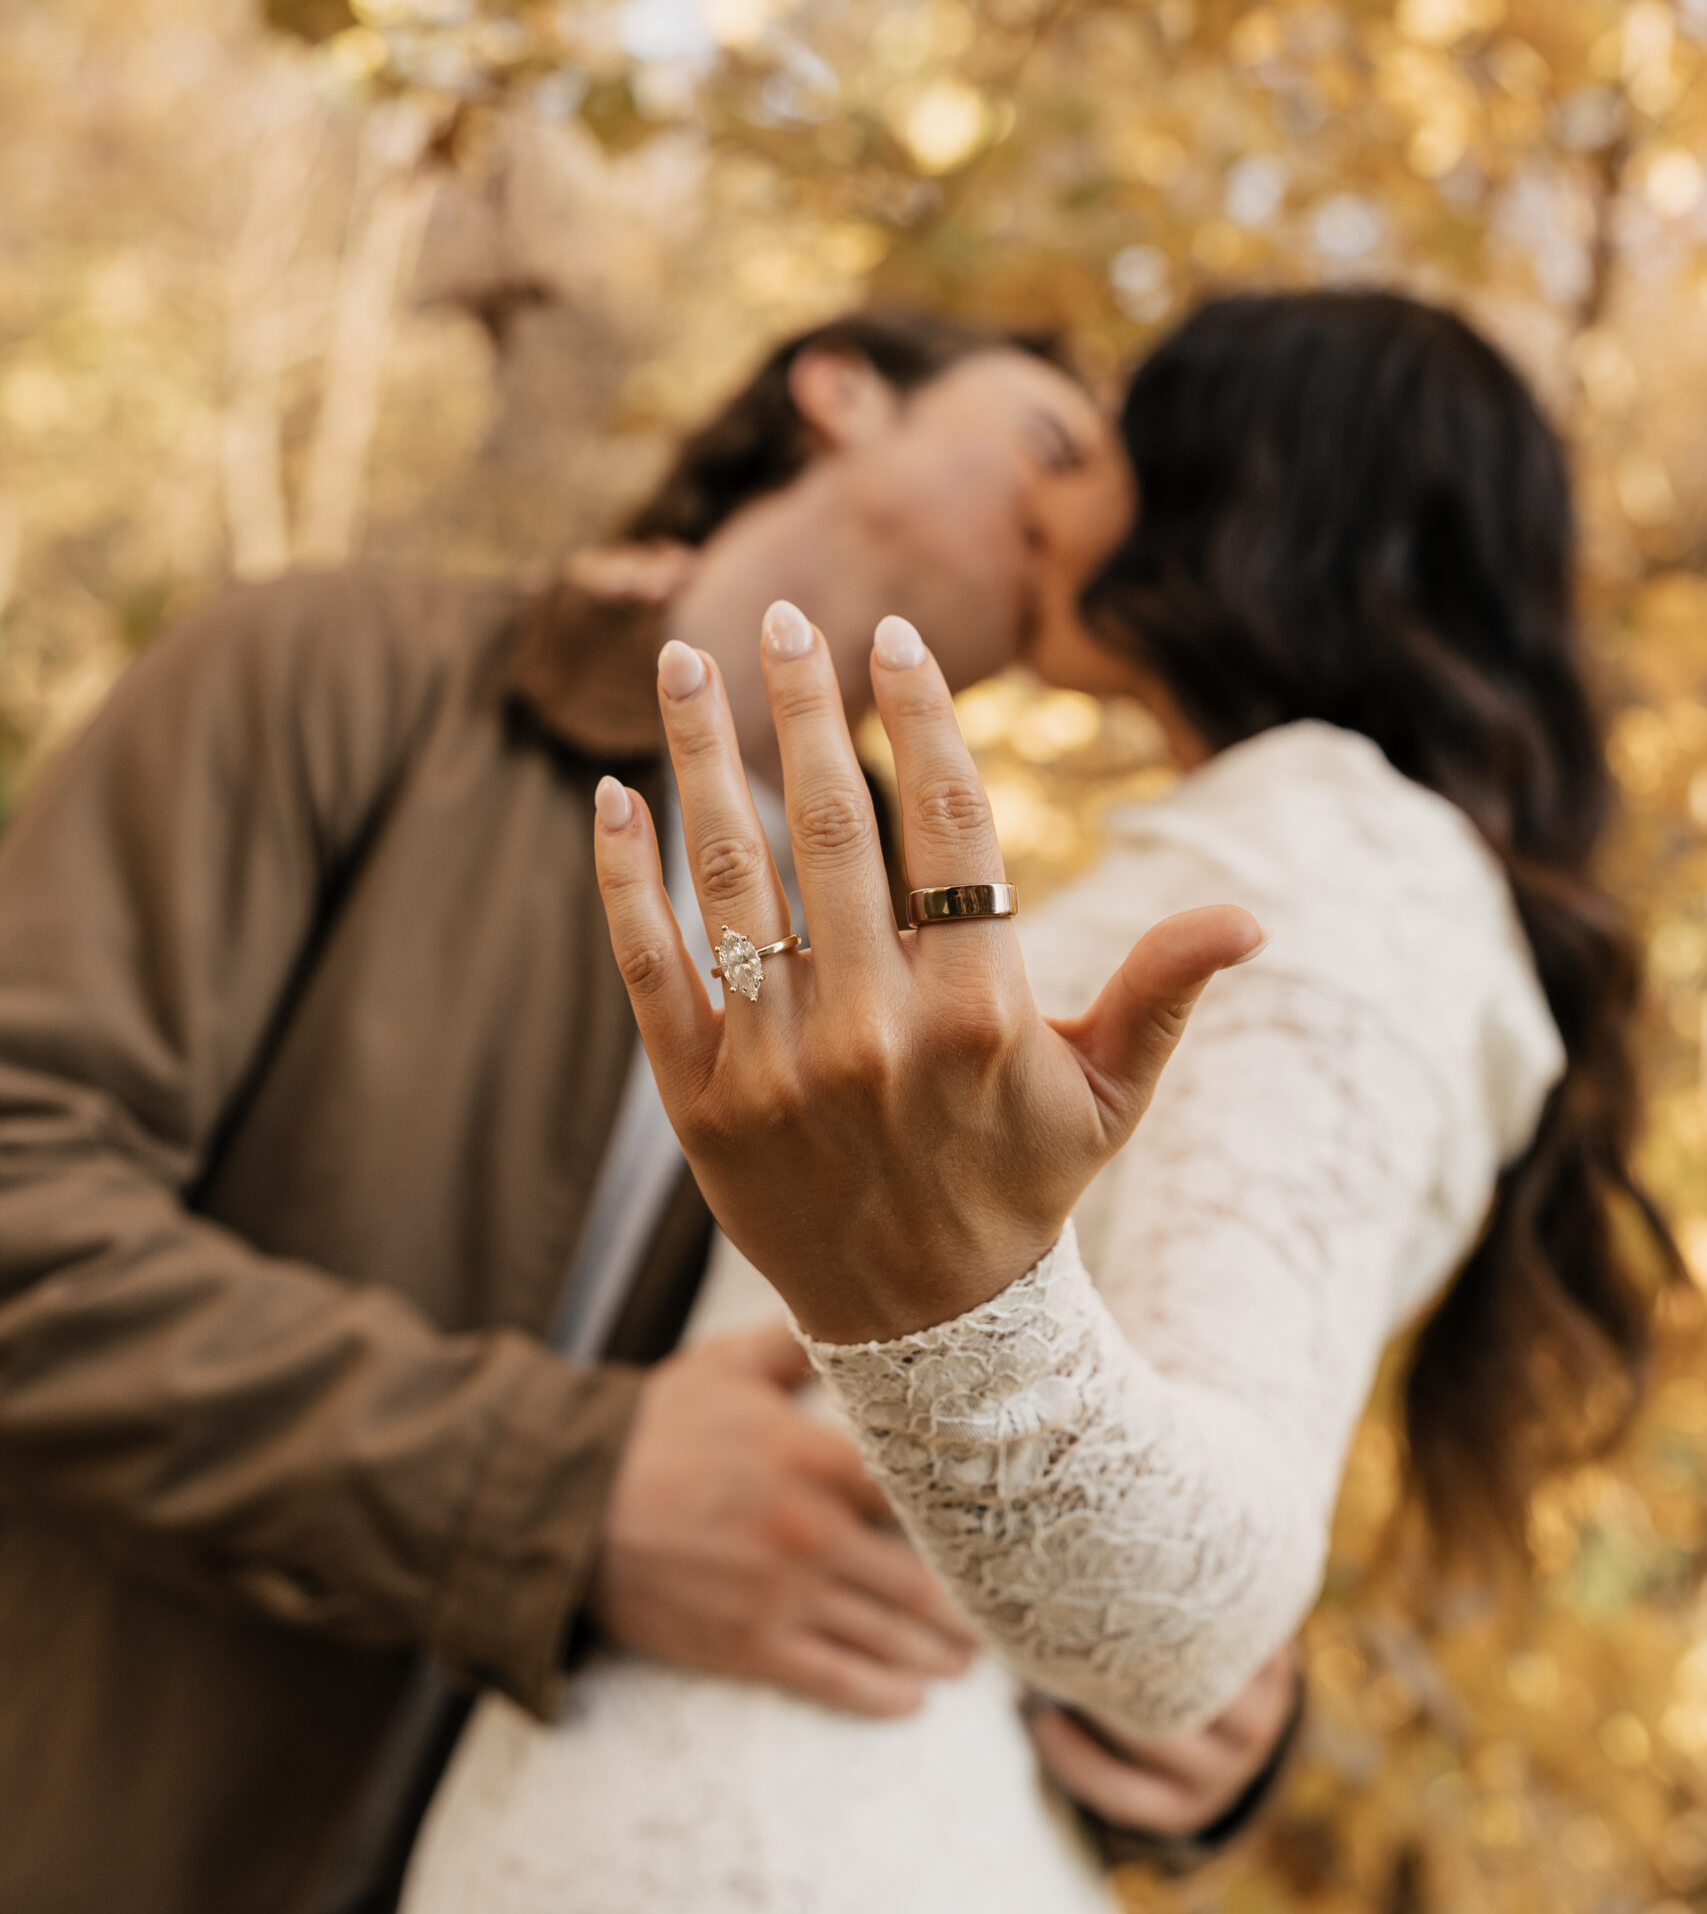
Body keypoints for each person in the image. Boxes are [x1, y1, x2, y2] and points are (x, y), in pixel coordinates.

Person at [0, 308, 1283, 1914]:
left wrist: (1182, 1675)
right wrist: (555, 1491)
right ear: (840, 397)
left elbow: (899, 1470)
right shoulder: (331, 669)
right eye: (1049, 440)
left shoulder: (936, 981)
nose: (1089, 517)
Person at [405, 288, 1670, 1914]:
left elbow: (1189, 1610)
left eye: (1107, 449)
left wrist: (955, 1306)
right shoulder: (1221, 845)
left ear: (1251, 490)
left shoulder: (1334, 862)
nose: (1056, 504)